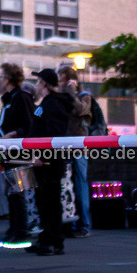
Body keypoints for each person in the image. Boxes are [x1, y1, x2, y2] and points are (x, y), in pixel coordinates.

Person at [25, 69, 74, 256]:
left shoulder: (53, 105)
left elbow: (53, 134)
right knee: (45, 202)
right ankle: (49, 238)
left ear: (44, 83)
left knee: (49, 202)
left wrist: (42, 157)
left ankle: (53, 241)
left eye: (38, 81)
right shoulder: (47, 103)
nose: (37, 84)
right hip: (44, 160)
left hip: (48, 162)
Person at [0, 63, 34, 243]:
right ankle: (14, 227)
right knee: (11, 191)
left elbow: (28, 125)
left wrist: (11, 134)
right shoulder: (10, 99)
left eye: (1, 77)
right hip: (9, 150)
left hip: (18, 151)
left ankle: (21, 230)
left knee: (17, 191)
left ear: (9, 78)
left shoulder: (21, 98)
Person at [58, 66, 92, 239]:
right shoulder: (61, 98)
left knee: (80, 185)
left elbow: (81, 110)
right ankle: (70, 222)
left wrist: (71, 92)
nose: (60, 83)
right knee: (67, 187)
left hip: (79, 148)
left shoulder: (83, 96)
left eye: (62, 80)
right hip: (64, 147)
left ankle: (84, 224)